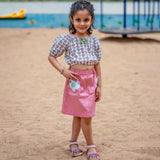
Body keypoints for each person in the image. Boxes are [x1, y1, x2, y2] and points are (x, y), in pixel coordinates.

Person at [48, 0, 102, 159]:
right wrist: (63, 70)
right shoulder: (66, 39)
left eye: (86, 19)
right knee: (80, 115)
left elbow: (97, 64)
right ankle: (87, 145)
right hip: (75, 81)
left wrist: (99, 85)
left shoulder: (94, 41)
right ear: (72, 19)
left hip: (90, 80)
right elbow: (51, 56)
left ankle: (75, 142)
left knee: (85, 114)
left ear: (91, 20)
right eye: (78, 19)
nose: (82, 23)